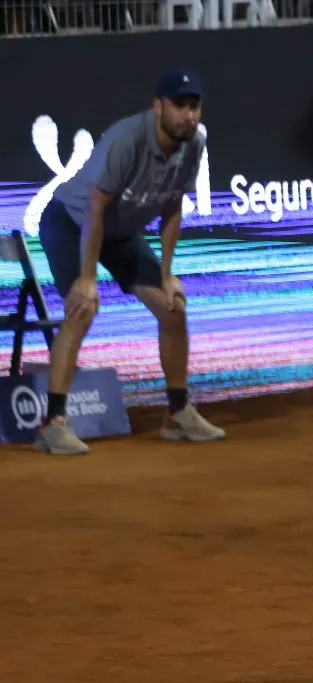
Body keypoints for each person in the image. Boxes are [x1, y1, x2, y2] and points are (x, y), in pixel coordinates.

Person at [34, 68, 226, 455]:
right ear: (158, 107)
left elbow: (173, 205)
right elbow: (95, 206)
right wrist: (86, 278)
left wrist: (167, 274)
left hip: (120, 231)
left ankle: (177, 414)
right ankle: (52, 422)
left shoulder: (194, 145)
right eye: (179, 106)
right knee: (82, 308)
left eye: (195, 106)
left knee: (173, 308)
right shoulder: (127, 140)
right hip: (71, 222)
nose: (188, 115)